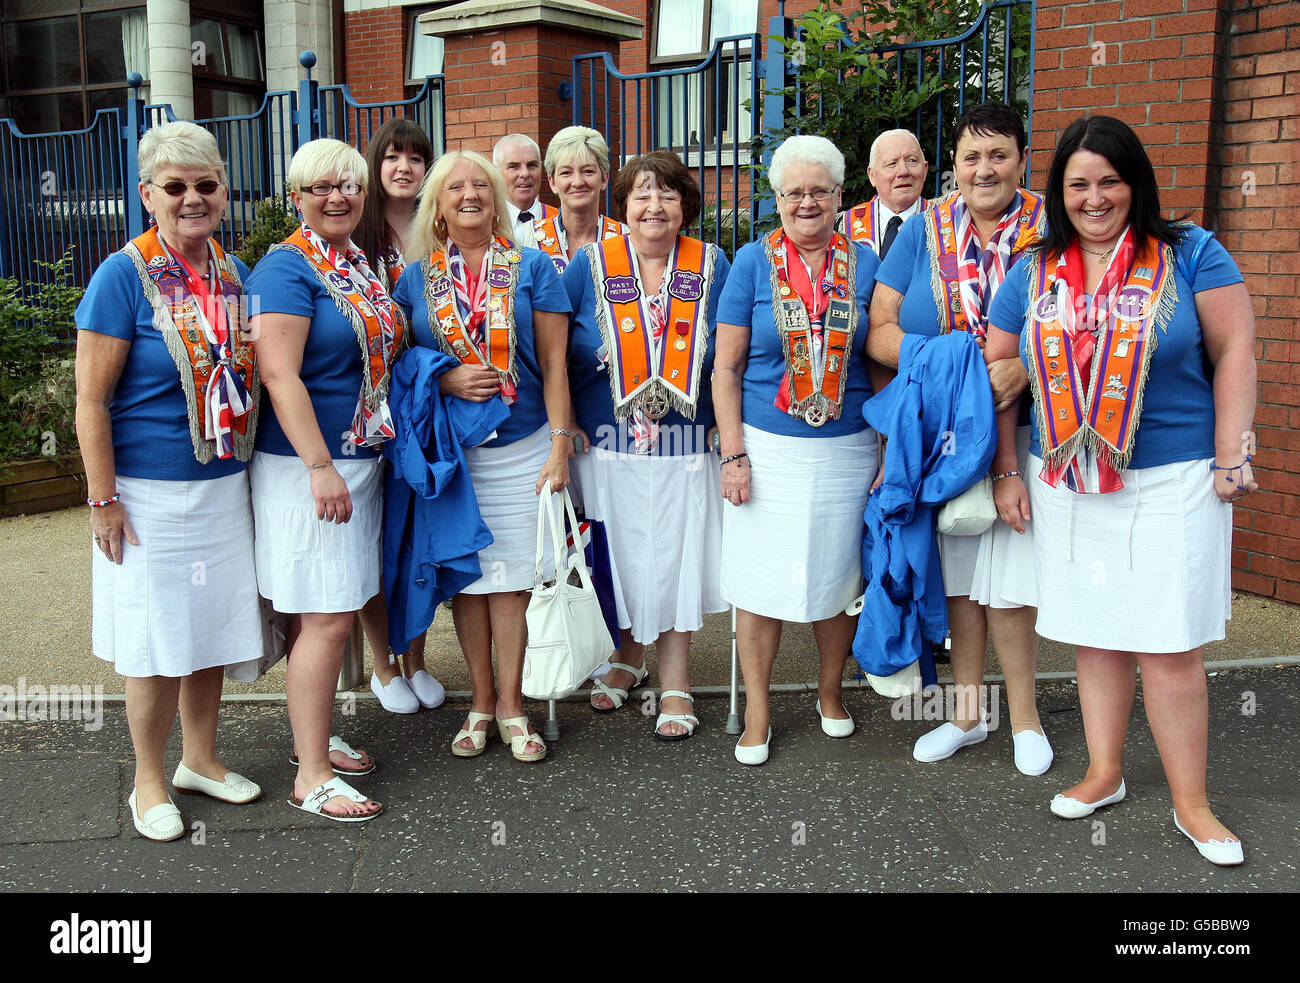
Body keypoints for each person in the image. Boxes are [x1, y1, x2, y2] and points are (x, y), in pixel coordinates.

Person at [985, 115, 1256, 865]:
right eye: (1078, 183)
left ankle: (1192, 803)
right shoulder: (1035, 268)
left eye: (1109, 180)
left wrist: (1234, 449)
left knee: (1169, 643)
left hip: (1172, 475)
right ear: (1058, 190)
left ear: (1134, 182)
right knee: (1096, 631)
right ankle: (1104, 771)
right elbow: (1000, 376)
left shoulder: (1189, 251)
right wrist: (1007, 467)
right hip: (1065, 478)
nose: (1094, 196)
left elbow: (1235, 348)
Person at [75, 120, 262, 840]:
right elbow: (90, 398)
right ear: (148, 194)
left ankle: (202, 758)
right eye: (176, 187)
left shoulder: (233, 271)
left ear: (222, 191)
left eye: (206, 185)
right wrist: (102, 497)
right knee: (155, 642)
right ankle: (147, 779)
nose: (193, 198)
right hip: (148, 491)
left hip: (222, 481)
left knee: (207, 629)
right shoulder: (122, 274)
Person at [866, 102, 1052, 776]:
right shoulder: (924, 229)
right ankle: (967, 715)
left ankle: (1026, 718)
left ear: (1022, 160)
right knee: (961, 579)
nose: (984, 169)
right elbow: (878, 329)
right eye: (971, 157)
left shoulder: (1051, 228)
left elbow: (1081, 327)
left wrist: (1025, 363)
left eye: (998, 154)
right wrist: (948, 364)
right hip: (940, 431)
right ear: (954, 167)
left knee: (1013, 577)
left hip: (1030, 427)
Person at [392, 150, 573, 762]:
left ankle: (515, 707)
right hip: (454, 456)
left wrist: (559, 443)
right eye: (455, 188)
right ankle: (480, 702)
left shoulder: (532, 266)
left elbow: (554, 364)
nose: (470, 195)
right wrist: (443, 379)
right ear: (437, 208)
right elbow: (399, 367)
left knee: (514, 582)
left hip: (522, 447)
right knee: (468, 581)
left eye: (481, 186)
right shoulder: (415, 278)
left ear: (497, 199)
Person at [246, 138, 405, 821]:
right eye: (320, 188)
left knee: (331, 610)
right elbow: (279, 373)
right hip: (309, 467)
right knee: (328, 617)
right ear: (297, 198)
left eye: (349, 186)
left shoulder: (351, 262)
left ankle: (314, 742)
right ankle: (311, 773)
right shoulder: (286, 268)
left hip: (357, 460)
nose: (337, 196)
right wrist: (319, 465)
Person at [714, 135, 881, 765]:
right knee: (761, 584)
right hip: (767, 449)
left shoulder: (868, 262)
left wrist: (889, 450)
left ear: (841, 196)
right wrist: (733, 455)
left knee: (837, 578)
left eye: (819, 191)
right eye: (793, 193)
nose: (805, 202)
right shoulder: (752, 264)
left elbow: (884, 362)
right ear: (776, 199)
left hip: (848, 449)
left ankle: (830, 691)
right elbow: (724, 370)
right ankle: (757, 707)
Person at [562, 151, 731, 739]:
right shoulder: (588, 266)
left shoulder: (714, 263)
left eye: (667, 194)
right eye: (640, 194)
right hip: (606, 445)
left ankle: (676, 681)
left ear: (686, 207)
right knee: (621, 557)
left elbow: (729, 356)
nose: (653, 206)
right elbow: (557, 352)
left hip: (687, 445)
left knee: (675, 556)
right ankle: (630, 658)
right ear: (623, 207)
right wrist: (565, 425)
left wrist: (724, 427)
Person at [353, 118, 446, 715]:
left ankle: (415, 656)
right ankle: (381, 664)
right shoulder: (352, 234)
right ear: (375, 165)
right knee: (371, 534)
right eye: (392, 156)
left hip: (424, 405)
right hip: (367, 406)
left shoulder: (438, 229)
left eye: (416, 157)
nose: (404, 167)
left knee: (416, 533)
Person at [534, 126, 625, 276]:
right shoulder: (527, 237)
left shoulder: (626, 238)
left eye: (588, 171)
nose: (577, 182)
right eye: (566, 173)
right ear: (552, 182)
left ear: (604, 178)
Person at [838, 129, 929, 258]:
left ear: (925, 170)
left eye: (912, 161)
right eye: (892, 163)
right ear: (872, 175)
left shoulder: (942, 221)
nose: (903, 171)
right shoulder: (843, 226)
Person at [493, 133, 553, 248]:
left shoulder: (559, 220)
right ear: (496, 172)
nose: (525, 174)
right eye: (514, 166)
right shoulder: (487, 224)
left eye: (532, 165)